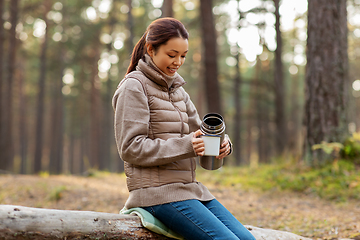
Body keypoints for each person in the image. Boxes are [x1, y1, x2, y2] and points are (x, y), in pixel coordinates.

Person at [112, 17, 255, 240]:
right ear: (151, 49)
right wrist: (188, 144)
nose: (178, 62)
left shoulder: (179, 91)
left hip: (191, 190)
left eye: (183, 56)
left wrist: (220, 146)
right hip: (156, 195)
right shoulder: (134, 86)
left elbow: (200, 137)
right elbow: (130, 148)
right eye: (171, 55)